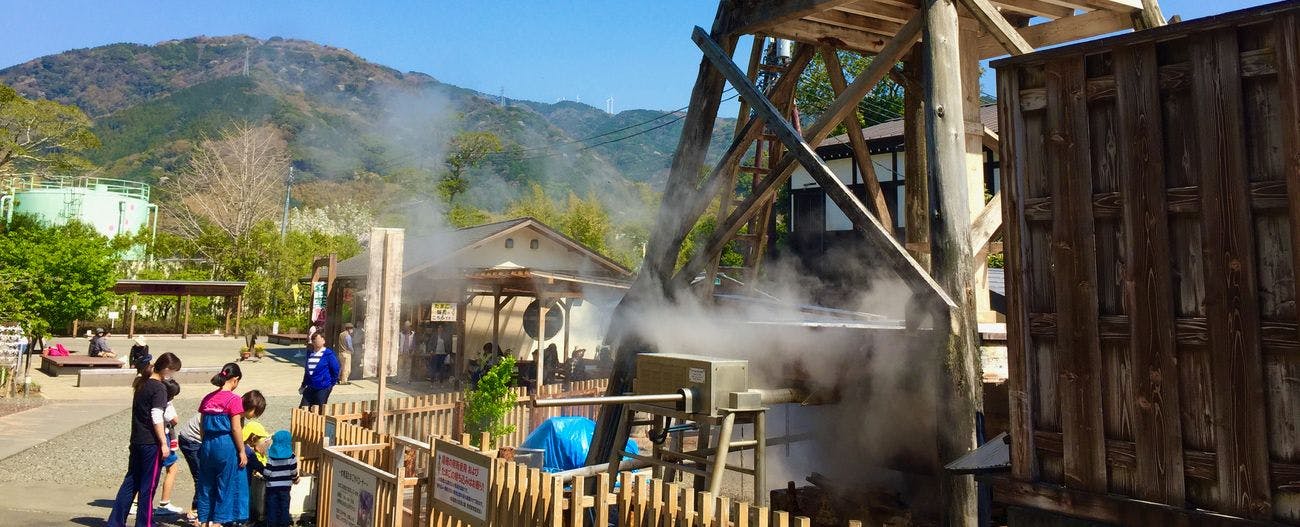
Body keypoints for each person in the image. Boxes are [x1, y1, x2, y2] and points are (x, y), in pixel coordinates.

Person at [107, 352, 183, 527]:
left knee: (131, 481)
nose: (172, 375)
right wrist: (163, 442)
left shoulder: (142, 384)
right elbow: (156, 415)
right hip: (151, 442)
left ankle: (116, 521)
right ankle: (145, 522)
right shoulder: (159, 388)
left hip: (137, 439)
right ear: (166, 369)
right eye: (173, 371)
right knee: (148, 486)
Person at [195, 363, 247, 527]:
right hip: (225, 443)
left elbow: (202, 425)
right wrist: (242, 450)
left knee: (206, 484)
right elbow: (236, 428)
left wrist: (205, 442)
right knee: (225, 485)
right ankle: (218, 522)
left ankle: (204, 520)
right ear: (235, 379)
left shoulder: (208, 398)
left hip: (208, 443)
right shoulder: (234, 399)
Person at [154, 379, 186, 517]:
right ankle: (164, 503)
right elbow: (174, 420)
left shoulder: (154, 398)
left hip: (154, 438)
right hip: (164, 438)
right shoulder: (164, 404)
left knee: (148, 471)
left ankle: (135, 502)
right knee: (171, 468)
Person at [238, 390, 269, 526]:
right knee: (243, 492)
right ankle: (242, 519)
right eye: (256, 413)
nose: (255, 416)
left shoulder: (241, 416)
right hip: (240, 458)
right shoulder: (237, 415)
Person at [261, 430, 299, 527]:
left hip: (272, 488)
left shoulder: (271, 456)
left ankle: (271, 524)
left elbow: (267, 472)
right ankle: (284, 524)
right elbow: (293, 471)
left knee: (272, 507)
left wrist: (264, 476)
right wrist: (295, 479)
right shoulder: (292, 456)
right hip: (285, 488)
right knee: (284, 507)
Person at [300, 332, 341, 407]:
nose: (316, 342)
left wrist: (331, 384)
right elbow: (307, 372)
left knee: (318, 410)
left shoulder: (328, 354)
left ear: (323, 341)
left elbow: (335, 369)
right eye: (314, 340)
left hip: (323, 387)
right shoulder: (309, 354)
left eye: (318, 340)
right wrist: (303, 385)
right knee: (303, 408)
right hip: (310, 386)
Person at [175, 412, 203, 523]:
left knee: (204, 476)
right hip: (191, 439)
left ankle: (198, 510)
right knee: (201, 476)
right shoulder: (233, 411)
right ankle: (195, 511)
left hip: (198, 439)